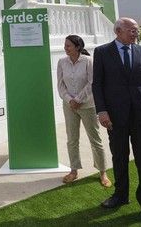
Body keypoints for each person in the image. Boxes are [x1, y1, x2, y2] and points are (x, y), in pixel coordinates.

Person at [92, 17, 141, 227]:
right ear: (118, 31)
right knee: (119, 157)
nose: (136, 33)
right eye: (131, 30)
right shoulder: (102, 52)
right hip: (115, 118)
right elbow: (97, 84)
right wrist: (102, 111)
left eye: (136, 30)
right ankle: (120, 195)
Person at [56, 34, 111, 187]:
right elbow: (60, 86)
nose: (65, 48)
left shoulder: (89, 61)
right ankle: (74, 170)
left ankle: (102, 172)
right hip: (69, 106)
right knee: (72, 139)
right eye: (65, 45)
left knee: (95, 139)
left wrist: (78, 100)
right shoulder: (61, 62)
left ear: (78, 47)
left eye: (68, 45)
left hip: (88, 105)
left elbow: (92, 83)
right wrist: (70, 100)